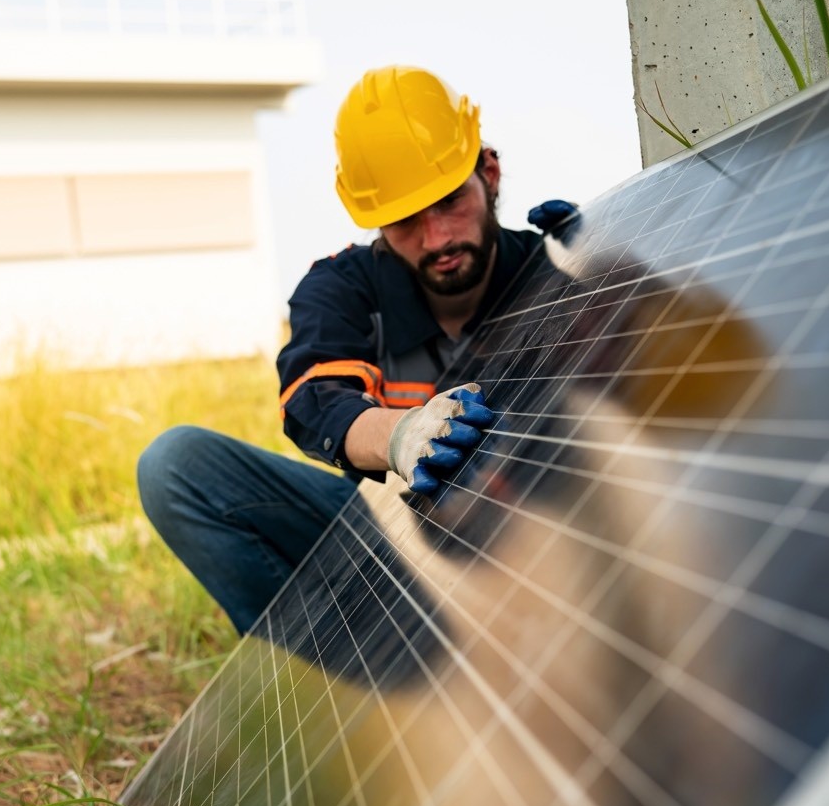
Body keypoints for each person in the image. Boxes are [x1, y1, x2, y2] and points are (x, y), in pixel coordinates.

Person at [137, 65, 574, 634]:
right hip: (398, 552)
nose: (436, 238)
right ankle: (324, 685)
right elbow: (317, 397)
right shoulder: (341, 290)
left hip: (553, 543)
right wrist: (402, 437)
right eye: (403, 220)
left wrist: (613, 260)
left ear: (488, 173)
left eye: (447, 202)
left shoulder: (562, 271)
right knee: (176, 466)